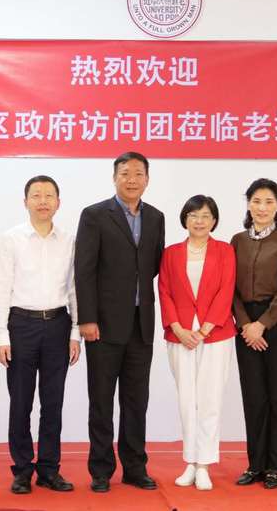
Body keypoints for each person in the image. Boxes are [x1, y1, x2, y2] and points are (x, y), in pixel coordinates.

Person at [75, 152, 165, 493]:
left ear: (147, 180)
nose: (132, 179)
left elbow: (153, 265)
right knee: (101, 401)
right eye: (125, 173)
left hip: (141, 325)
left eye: (138, 174)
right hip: (103, 326)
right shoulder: (95, 215)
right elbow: (84, 270)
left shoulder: (155, 217)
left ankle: (134, 468)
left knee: (136, 402)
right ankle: (100, 471)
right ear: (115, 177)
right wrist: (87, 318)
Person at [0, 175, 80, 494]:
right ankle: (21, 470)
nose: (42, 201)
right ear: (25, 201)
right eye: (36, 195)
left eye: (48, 196)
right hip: (21, 325)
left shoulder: (69, 240)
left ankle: (48, 469)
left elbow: (74, 287)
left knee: (53, 402)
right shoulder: (11, 238)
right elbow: (3, 287)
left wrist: (75, 331)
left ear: (58, 202)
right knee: (20, 402)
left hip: (58, 325)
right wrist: (1, 334)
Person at [157, 195, 236, 491]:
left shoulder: (225, 251)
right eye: (193, 215)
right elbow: (164, 291)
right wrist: (178, 329)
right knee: (187, 400)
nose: (199, 221)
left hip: (215, 335)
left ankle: (204, 464)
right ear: (185, 219)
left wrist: (203, 330)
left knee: (210, 399)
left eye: (205, 216)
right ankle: (190, 461)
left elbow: (226, 290)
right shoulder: (170, 253)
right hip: (179, 336)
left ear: (214, 220)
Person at [231, 178, 277, 489]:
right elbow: (230, 287)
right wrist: (246, 323)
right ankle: (255, 464)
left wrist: (264, 323)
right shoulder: (237, 241)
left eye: (269, 202)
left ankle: (275, 465)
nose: (262, 208)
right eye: (256, 201)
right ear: (248, 204)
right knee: (254, 395)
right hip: (245, 326)